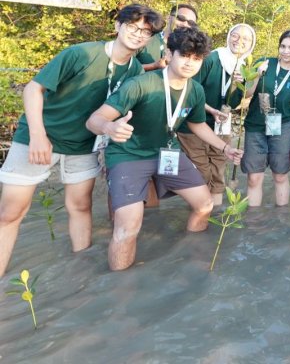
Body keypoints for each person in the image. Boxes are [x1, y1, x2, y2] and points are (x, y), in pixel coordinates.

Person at [0, 4, 160, 278]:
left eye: (145, 32)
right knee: (10, 213)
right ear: (117, 26)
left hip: (83, 146)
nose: (138, 34)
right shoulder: (82, 53)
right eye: (133, 26)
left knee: (81, 206)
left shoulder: (135, 71)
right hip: (39, 138)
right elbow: (33, 88)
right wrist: (38, 135)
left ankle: (79, 280)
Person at [86, 26, 242, 271]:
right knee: (128, 227)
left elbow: (198, 124)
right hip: (129, 155)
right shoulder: (140, 84)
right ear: (169, 54)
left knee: (205, 205)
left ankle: (190, 257)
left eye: (197, 58)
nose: (190, 63)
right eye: (185, 55)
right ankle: (120, 291)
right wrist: (109, 127)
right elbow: (93, 119)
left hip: (166, 153)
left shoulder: (195, 91)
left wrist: (225, 149)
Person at [175, 23, 254, 206]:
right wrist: (210, 109)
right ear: (228, 37)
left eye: (246, 39)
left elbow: (233, 103)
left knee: (219, 168)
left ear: (251, 44)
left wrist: (237, 85)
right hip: (194, 123)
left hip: (221, 125)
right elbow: (190, 89)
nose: (239, 41)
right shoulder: (212, 58)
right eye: (235, 35)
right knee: (201, 171)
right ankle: (199, 212)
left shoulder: (242, 67)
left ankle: (215, 218)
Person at [241, 30, 290, 207]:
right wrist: (256, 76)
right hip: (255, 126)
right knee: (254, 178)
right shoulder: (263, 63)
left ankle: (281, 221)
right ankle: (254, 223)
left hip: (284, 128)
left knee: (280, 175)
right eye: (283, 46)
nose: (286, 51)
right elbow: (247, 93)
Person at [137, 3, 198, 71]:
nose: (185, 24)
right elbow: (125, 67)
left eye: (191, 23)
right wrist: (154, 66)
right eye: (181, 18)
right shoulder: (145, 37)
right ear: (168, 18)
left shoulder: (191, 52)